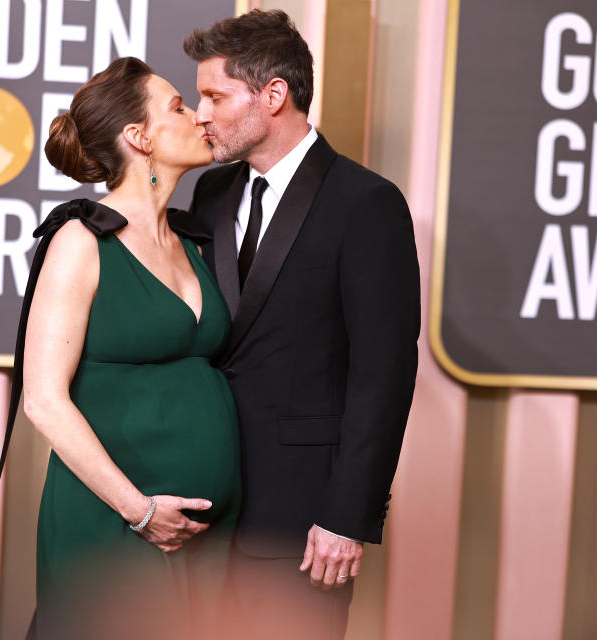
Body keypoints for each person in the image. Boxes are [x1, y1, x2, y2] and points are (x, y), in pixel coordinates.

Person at [183, 10, 421, 640]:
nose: (200, 113)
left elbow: (384, 375)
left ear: (274, 94)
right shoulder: (210, 195)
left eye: (214, 96)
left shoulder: (366, 204)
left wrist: (348, 516)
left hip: (303, 519)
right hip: (205, 508)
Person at [22, 56, 241, 639]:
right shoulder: (79, 241)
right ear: (139, 137)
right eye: (178, 107)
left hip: (202, 536)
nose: (198, 117)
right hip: (115, 525)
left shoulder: (194, 239)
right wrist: (138, 510)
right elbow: (42, 399)